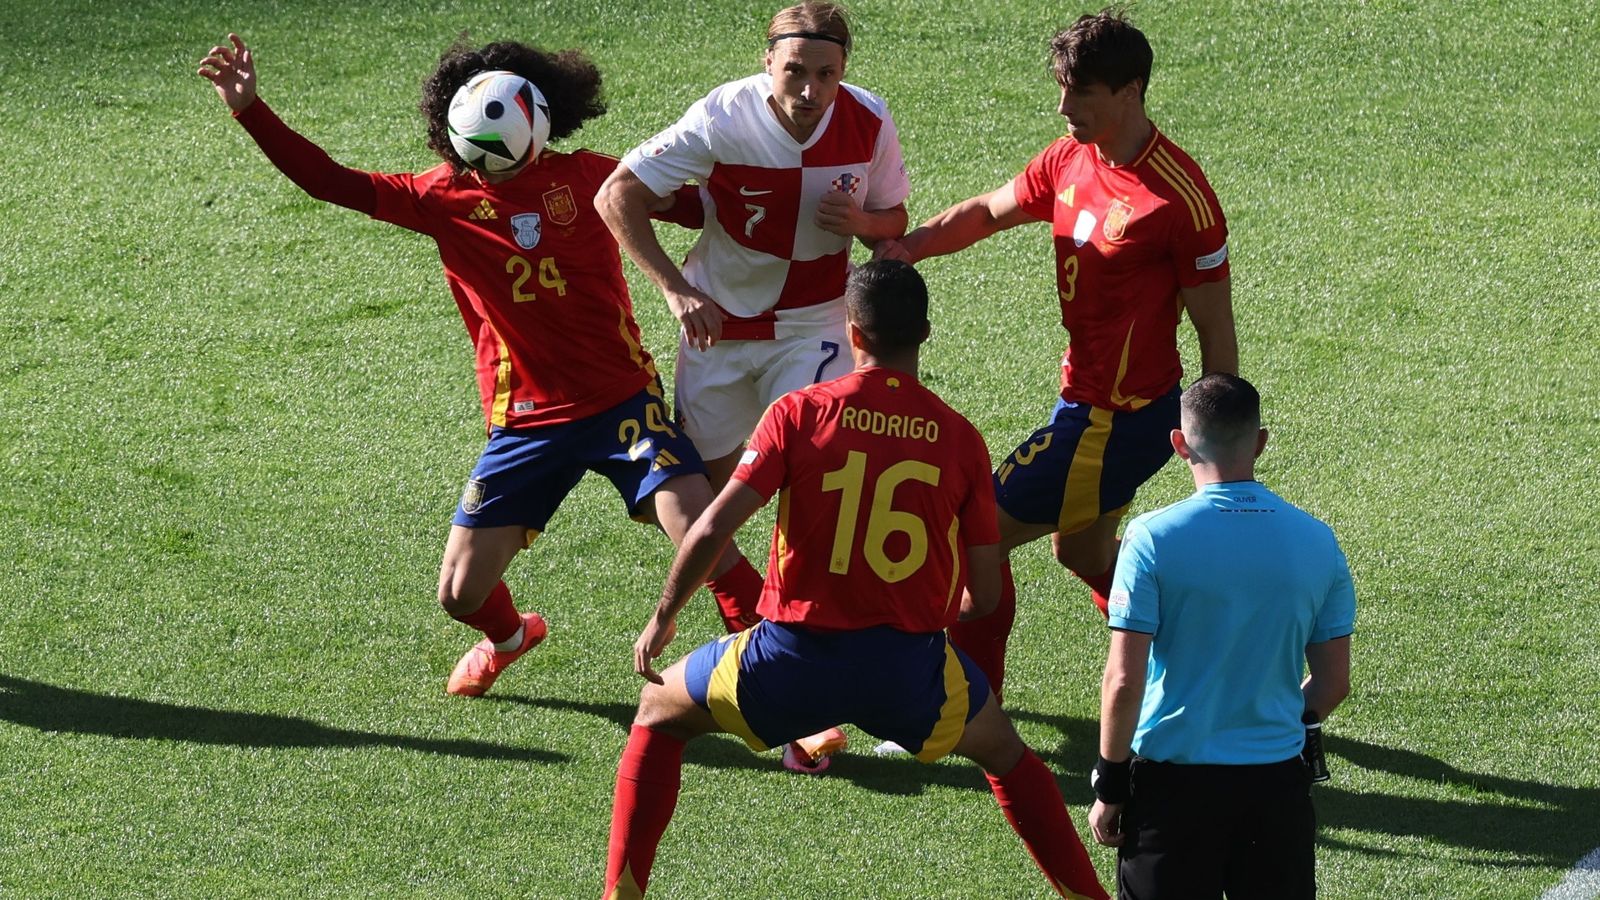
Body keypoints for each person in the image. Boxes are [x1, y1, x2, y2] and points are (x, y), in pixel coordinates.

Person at [196, 34, 767, 697]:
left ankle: (780, 683)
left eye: (498, 163)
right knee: (460, 594)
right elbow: (330, 182)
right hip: (525, 424)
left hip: (623, 406)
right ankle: (511, 636)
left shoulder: (592, 179)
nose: (487, 175)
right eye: (477, 162)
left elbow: (709, 209)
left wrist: (776, 189)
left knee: (704, 535)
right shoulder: (440, 198)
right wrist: (249, 109)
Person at [601, 260, 1109, 900]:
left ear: (853, 332)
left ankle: (620, 895)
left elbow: (707, 531)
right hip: (907, 670)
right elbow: (983, 595)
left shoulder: (799, 414)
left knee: (656, 714)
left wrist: (663, 616)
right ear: (924, 332)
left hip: (788, 657)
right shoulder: (960, 439)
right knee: (1008, 758)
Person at [876, 10, 1238, 698]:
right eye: (1062, 89)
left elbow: (1216, 333)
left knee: (970, 536)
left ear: (1130, 92)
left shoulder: (1179, 201)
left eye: (1082, 94)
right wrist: (911, 246)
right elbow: (990, 210)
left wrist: (1224, 459)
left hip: (1115, 421)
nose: (1064, 107)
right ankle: (1191, 659)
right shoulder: (1070, 157)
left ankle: (966, 703)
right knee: (1084, 549)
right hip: (1084, 403)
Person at [596, 1, 911, 493]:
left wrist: (863, 222)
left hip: (813, 323)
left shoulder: (868, 117)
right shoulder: (723, 116)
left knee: (814, 473)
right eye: (795, 71)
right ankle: (735, 575)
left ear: (844, 68)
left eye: (826, 74)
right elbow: (616, 195)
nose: (810, 91)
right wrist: (677, 291)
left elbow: (894, 219)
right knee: (702, 495)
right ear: (768, 63)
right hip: (718, 325)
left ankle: (798, 574)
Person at [1086, 373, 1355, 898]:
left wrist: (1111, 782)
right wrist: (1272, 718)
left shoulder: (1151, 538)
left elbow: (1123, 680)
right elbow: (1332, 685)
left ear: (1179, 444)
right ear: (1260, 442)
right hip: (1275, 789)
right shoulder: (1317, 541)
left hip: (1172, 791)